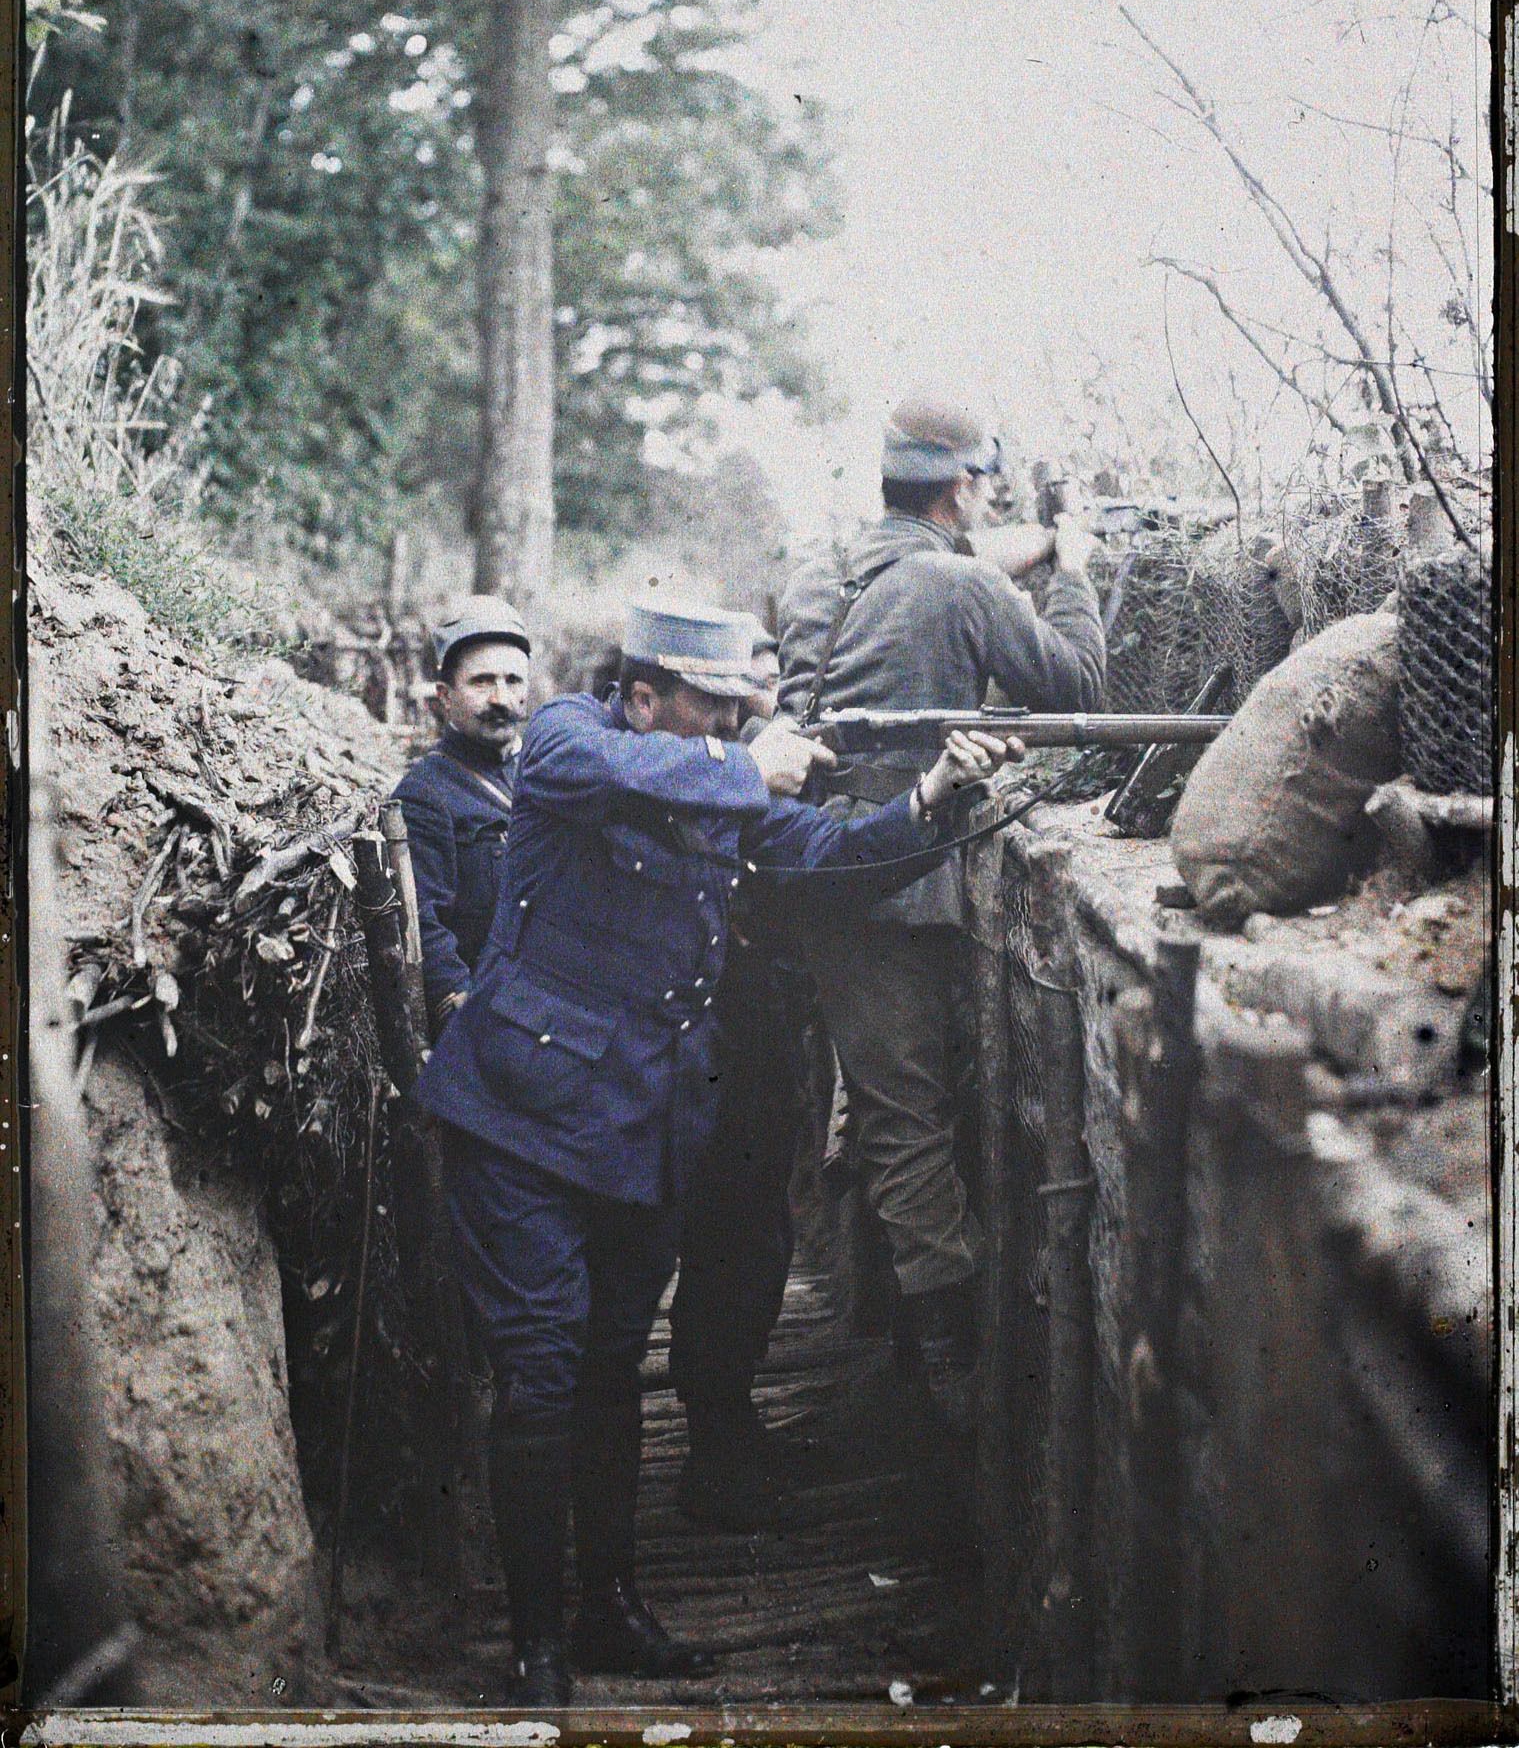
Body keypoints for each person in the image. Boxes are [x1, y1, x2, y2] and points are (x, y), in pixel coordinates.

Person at [411, 600, 1018, 1706]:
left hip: (641, 1129)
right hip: (521, 1117)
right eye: (714, 703)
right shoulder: (564, 739)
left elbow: (828, 853)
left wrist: (931, 793)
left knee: (604, 1372)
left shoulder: (712, 785)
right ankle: (538, 1644)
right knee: (542, 1375)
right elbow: (644, 772)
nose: (739, 722)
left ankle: (608, 1609)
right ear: (640, 695)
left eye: (746, 704)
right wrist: (745, 762)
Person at [776, 398, 1105, 1429]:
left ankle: (891, 1341)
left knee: (875, 1110)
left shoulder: (821, 577)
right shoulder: (958, 583)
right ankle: (944, 1386)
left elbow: (930, 578)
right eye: (982, 488)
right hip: (907, 885)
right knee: (912, 1127)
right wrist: (1077, 567)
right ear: (961, 487)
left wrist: (1028, 543)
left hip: (821, 876)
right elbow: (1083, 686)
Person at [667, 619, 812, 1530]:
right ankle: (710, 1450)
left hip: (760, 1037)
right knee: (722, 1239)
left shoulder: (756, 761)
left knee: (755, 1238)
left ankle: (731, 1423)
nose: (765, 692)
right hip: (704, 1043)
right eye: (747, 681)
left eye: (770, 677)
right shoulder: (691, 767)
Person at [391, 597, 532, 1034]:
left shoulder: (543, 773)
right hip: (492, 1017)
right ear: (445, 697)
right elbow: (423, 929)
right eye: (482, 682)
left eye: (513, 680)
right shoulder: (426, 794)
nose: (501, 698)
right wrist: (467, 1018)